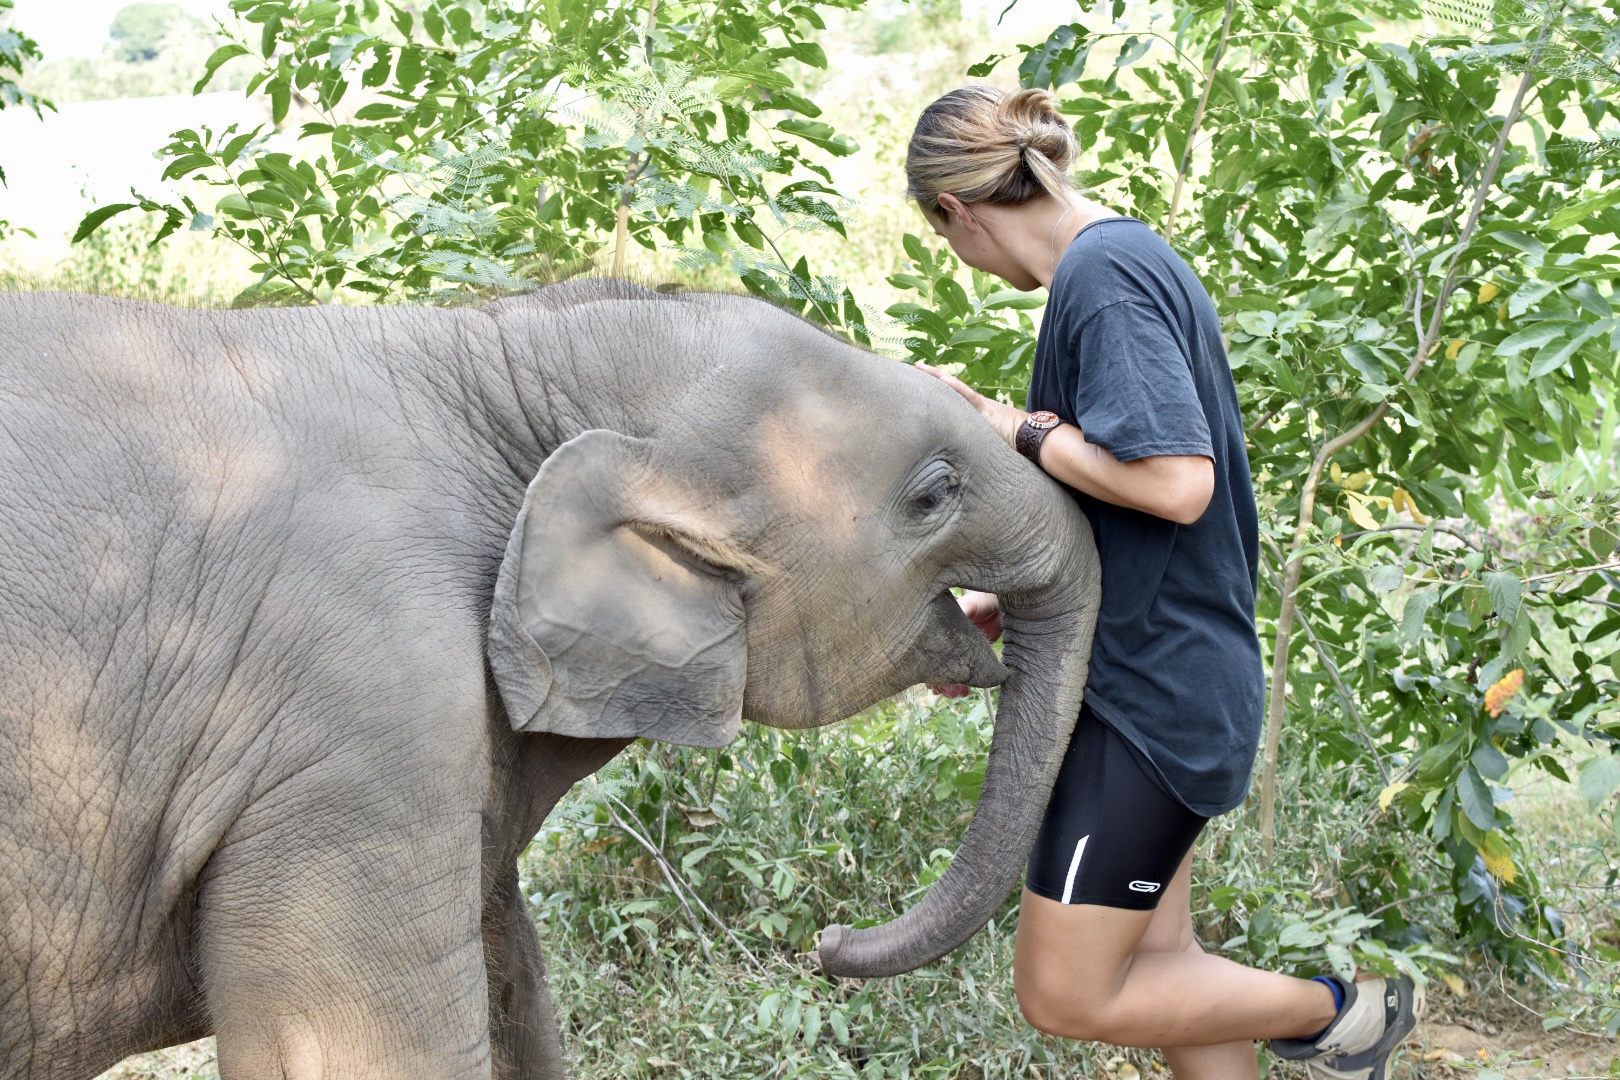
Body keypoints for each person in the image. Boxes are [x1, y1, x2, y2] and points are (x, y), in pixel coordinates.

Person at [905, 85, 1419, 1080]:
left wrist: (1012, 426)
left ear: (956, 212)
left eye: (945, 242)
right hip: (1164, 673)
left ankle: (1344, 1010)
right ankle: (1333, 1013)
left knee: (1067, 991)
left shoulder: (1105, 273)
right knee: (1166, 964)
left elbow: (1177, 485)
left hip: (1151, 693)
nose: (959, 261)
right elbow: (1117, 507)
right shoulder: (1110, 268)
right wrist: (1003, 609)